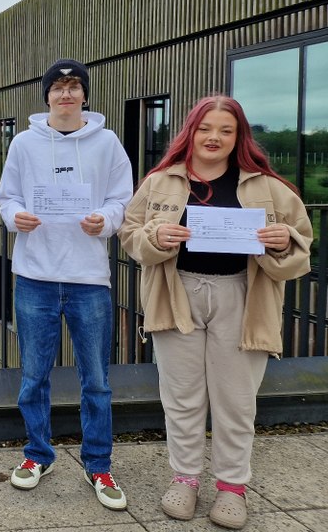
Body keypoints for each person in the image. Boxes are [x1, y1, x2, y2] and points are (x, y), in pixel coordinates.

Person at [118, 95, 311, 530]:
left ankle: (232, 487)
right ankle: (185, 479)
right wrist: (156, 235)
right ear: (191, 132)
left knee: (236, 400)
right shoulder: (160, 181)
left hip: (243, 297)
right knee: (181, 397)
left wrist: (282, 241)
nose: (215, 138)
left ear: (239, 136)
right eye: (206, 128)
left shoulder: (267, 186)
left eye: (226, 130)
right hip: (176, 293)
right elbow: (130, 236)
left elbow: (301, 246)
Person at [0, 59, 133, 511]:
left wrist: (107, 220)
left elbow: (121, 198)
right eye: (58, 87)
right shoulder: (24, 143)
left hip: (89, 278)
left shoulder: (108, 143)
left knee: (96, 380)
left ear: (86, 96)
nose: (66, 94)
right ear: (47, 96)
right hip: (34, 275)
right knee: (33, 376)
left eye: (74, 87)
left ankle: (99, 464)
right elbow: (7, 196)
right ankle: (38, 454)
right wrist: (16, 217)